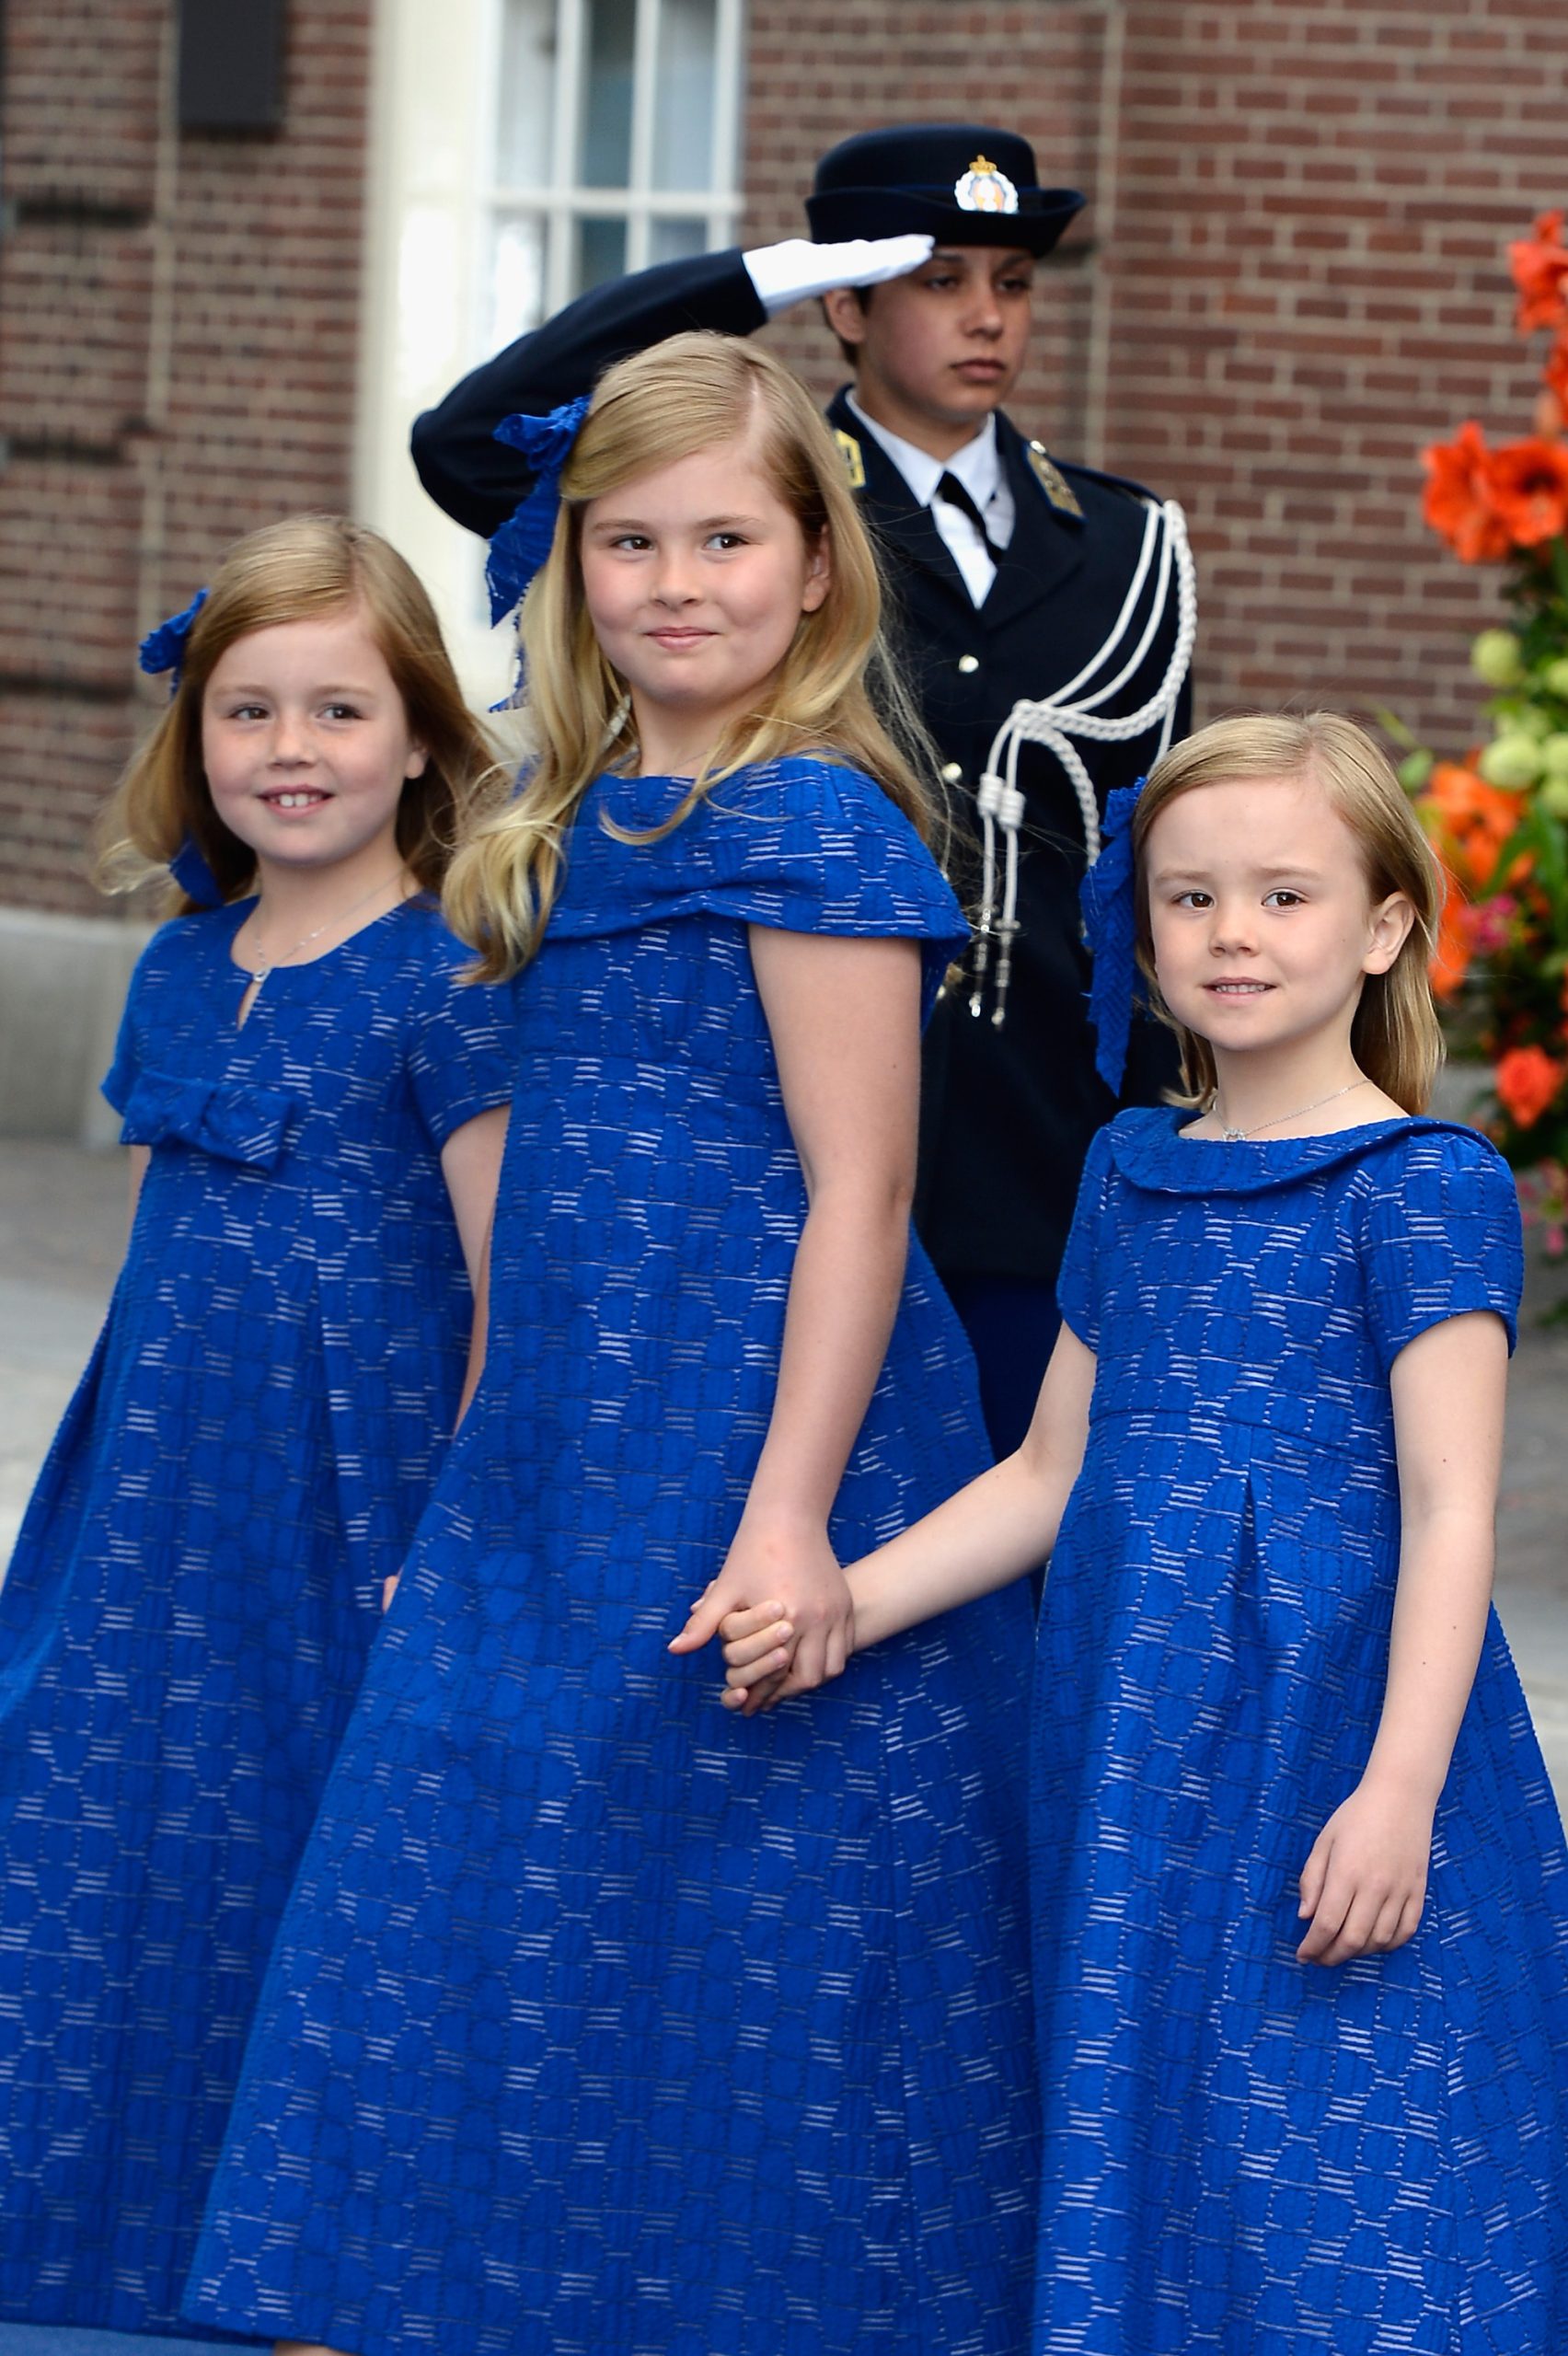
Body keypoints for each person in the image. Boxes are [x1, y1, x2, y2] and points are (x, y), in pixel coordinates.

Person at [183, 335, 1039, 2356]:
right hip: (557, 1435)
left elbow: (863, 1191)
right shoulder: (572, 812)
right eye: (626, 539)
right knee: (441, 1874)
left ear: (819, 565)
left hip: (761, 1427)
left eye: (728, 537)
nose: (675, 581)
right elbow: (528, 1218)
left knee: (736, 1910)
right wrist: (470, 1470)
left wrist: (793, 1516)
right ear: (571, 569)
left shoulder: (816, 826)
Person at [712, 712, 1568, 2351]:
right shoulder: (1128, 1169)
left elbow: (1458, 1511)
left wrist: (1396, 1795)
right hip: (1132, 1746)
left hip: (1324, 1741)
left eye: (1284, 897)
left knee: (1329, 2134)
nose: (1232, 934)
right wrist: (838, 1601)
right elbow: (1046, 1478)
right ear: (1140, 930)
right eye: (1190, 900)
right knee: (1153, 2105)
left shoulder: (1424, 1186)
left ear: (1387, 924)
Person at [409, 119, 1196, 1458]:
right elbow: (470, 441)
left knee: (1009, 1579)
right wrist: (757, 275)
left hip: (1033, 1150)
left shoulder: (1127, 542)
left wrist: (1178, 1132)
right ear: (847, 300)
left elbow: (1150, 870)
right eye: (940, 278)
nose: (986, 315)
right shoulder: (752, 513)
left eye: (1010, 281)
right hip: (769, 1165)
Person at [0, 515, 517, 2340]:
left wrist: (449, 1540)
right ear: (198, 739)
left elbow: (494, 1289)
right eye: (249, 711)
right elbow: (172, 1259)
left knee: (303, 1842)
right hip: (156, 1484)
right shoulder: (175, 963)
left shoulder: (455, 975)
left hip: (349, 1485)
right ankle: (89, 2236)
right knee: (96, 1812)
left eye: (338, 708)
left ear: (422, 738)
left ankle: (295, 2260)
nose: (291, 749)